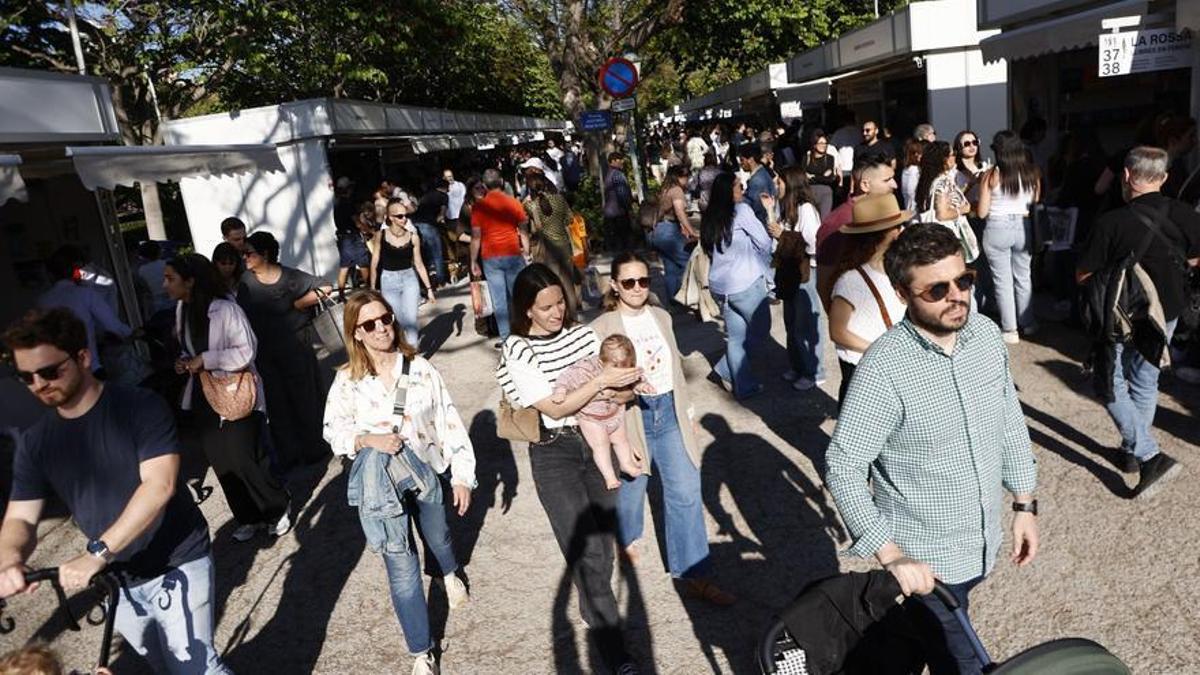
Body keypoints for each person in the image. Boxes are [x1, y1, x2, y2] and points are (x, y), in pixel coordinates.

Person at [826, 223, 1039, 675]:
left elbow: (1008, 418)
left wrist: (1024, 503)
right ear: (904, 293)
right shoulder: (883, 370)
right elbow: (843, 467)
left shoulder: (983, 335)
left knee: (904, 649)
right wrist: (891, 555)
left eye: (964, 280)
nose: (956, 296)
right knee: (963, 663)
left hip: (980, 544)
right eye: (937, 289)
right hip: (926, 565)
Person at [0, 308, 228, 674]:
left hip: (176, 559)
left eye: (49, 371)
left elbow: (160, 484)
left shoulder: (139, 407)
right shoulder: (37, 442)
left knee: (195, 668)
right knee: (161, 666)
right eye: (27, 377)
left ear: (83, 357)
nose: (39, 384)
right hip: (115, 578)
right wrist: (9, 559)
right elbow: (20, 517)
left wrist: (98, 552)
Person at [495, 264, 642, 674]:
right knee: (588, 549)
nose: (557, 312)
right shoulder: (518, 349)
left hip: (595, 443)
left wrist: (626, 392)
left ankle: (592, 605)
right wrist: (600, 384)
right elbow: (556, 406)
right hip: (554, 451)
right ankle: (616, 652)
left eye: (560, 302)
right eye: (545, 307)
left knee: (604, 545)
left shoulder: (584, 336)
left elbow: (620, 392)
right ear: (527, 310)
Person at [323, 291, 475, 675]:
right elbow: (333, 430)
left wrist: (461, 475)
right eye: (369, 324)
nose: (381, 329)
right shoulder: (347, 380)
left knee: (438, 537)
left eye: (385, 319)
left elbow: (448, 420)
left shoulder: (420, 367)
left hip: (428, 471)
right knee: (400, 564)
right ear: (355, 333)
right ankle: (421, 652)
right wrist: (366, 440)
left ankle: (448, 571)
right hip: (382, 485)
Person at [591, 252, 735, 605]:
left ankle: (694, 573)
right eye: (629, 282)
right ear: (614, 286)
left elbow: (675, 370)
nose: (638, 288)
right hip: (631, 415)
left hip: (668, 410)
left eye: (644, 281)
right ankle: (627, 537)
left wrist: (686, 413)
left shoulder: (661, 317)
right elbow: (593, 383)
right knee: (632, 485)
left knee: (685, 491)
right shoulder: (601, 327)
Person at [1077, 145, 1200, 495]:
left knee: (1110, 384)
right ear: (1163, 178)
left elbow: (1084, 275)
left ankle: (1148, 455)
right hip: (1166, 313)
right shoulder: (1186, 215)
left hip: (1120, 317)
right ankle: (1132, 450)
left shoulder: (1111, 222)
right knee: (1146, 382)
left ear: (1127, 176)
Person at [164, 254, 291, 542]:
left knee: (244, 455)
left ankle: (277, 507)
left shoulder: (225, 309)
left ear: (191, 280)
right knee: (221, 461)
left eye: (170, 278)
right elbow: (189, 348)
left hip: (236, 390)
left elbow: (246, 351)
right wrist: (186, 361)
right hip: (203, 392)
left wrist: (205, 359)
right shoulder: (182, 309)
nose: (165, 285)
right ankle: (248, 517)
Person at [237, 231, 329, 470]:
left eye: (249, 253)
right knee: (277, 406)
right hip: (265, 354)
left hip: (297, 348)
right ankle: (289, 455)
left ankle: (315, 448)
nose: (244, 257)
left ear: (265, 253)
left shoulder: (290, 276)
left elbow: (325, 286)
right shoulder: (245, 282)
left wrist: (299, 303)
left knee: (305, 400)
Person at [826, 194, 908, 404]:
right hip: (863, 371)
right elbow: (838, 332)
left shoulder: (896, 270)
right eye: (896, 227)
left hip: (891, 368)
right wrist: (879, 349)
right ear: (880, 235)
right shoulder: (850, 280)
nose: (901, 231)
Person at [702, 172, 772, 399]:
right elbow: (764, 241)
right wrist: (761, 262)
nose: (742, 188)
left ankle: (743, 386)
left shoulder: (711, 215)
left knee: (736, 337)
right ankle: (725, 369)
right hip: (745, 283)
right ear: (729, 190)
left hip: (721, 286)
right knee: (761, 332)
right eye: (738, 185)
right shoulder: (741, 211)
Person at [552, 334, 650, 489]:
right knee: (601, 445)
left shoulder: (625, 367)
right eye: (616, 369)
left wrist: (642, 386)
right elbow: (565, 378)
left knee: (622, 440)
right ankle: (609, 476)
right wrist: (560, 391)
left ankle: (626, 464)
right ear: (601, 362)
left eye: (626, 369)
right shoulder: (585, 369)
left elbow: (635, 381)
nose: (621, 374)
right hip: (592, 418)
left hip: (614, 413)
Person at [763, 167, 826, 390]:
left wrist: (783, 234)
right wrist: (770, 211)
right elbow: (776, 236)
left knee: (805, 323)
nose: (775, 185)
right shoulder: (786, 207)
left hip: (803, 272)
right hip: (788, 270)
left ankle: (814, 372)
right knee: (791, 322)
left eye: (778, 182)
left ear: (789, 183)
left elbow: (813, 243)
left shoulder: (806, 209)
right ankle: (798, 366)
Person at [977, 130, 1041, 344]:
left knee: (1002, 281)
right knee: (1024, 277)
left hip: (997, 228)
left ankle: (1010, 330)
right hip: (1023, 227)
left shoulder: (991, 175)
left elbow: (982, 212)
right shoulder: (1032, 172)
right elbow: (1036, 199)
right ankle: (1029, 323)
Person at [815, 158, 898, 308]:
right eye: (887, 180)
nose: (895, 185)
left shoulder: (885, 211)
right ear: (865, 185)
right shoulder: (838, 222)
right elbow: (824, 280)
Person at [37, 245, 133, 375]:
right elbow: (114, 326)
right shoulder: (85, 292)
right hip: (92, 364)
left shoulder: (43, 300)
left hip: (63, 369)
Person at [470, 168, 529, 343]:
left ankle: (506, 339)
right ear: (502, 182)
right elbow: (523, 230)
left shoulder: (478, 207)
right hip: (512, 253)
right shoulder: (514, 202)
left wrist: (474, 260)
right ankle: (524, 332)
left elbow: (476, 237)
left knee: (499, 300)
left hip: (490, 257)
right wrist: (526, 251)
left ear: (484, 186)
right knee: (517, 296)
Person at [370, 199, 436, 347]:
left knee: (411, 319)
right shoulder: (380, 235)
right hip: (388, 280)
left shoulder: (413, 236)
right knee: (398, 319)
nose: (404, 219)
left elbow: (419, 264)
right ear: (390, 217)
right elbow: (374, 263)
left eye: (406, 215)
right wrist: (373, 288)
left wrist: (429, 289)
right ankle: (405, 346)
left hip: (409, 279)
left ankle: (412, 354)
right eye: (399, 216)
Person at [915, 140, 980, 266]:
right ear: (943, 159)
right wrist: (964, 209)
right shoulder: (942, 182)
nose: (955, 157)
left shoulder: (929, 180)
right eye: (952, 154)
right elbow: (942, 214)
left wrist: (969, 186)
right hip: (947, 237)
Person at [525, 173, 581, 318]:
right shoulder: (560, 199)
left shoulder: (530, 205)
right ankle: (572, 314)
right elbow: (569, 219)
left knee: (551, 283)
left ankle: (557, 316)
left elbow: (531, 226)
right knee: (568, 282)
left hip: (546, 250)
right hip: (564, 245)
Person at [650, 165, 698, 302]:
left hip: (658, 231)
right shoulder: (676, 190)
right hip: (668, 232)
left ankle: (673, 299)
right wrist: (691, 231)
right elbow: (679, 211)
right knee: (688, 262)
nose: (687, 180)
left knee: (671, 267)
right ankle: (690, 296)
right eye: (686, 177)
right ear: (679, 177)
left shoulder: (665, 189)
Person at [334, 176, 371, 294]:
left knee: (345, 265)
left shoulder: (337, 202)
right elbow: (357, 222)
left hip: (342, 237)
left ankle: (341, 294)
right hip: (352, 238)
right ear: (348, 189)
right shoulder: (347, 204)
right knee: (363, 262)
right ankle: (370, 288)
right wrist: (370, 231)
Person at [412, 180, 450, 287]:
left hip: (415, 224)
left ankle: (428, 280)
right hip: (428, 225)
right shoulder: (443, 196)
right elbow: (442, 214)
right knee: (437, 253)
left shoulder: (426, 196)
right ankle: (441, 280)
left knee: (425, 254)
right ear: (445, 188)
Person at [603, 151, 636, 252]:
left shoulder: (609, 173)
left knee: (617, 240)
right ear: (612, 161)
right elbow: (622, 193)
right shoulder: (617, 174)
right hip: (619, 211)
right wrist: (629, 207)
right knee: (625, 240)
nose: (622, 162)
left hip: (611, 212)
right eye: (619, 160)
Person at [803, 128, 840, 218]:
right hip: (809, 193)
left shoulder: (830, 158)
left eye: (825, 143)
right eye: (821, 143)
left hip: (825, 192)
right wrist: (821, 176)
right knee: (812, 219)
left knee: (824, 219)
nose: (823, 145)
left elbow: (829, 179)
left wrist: (812, 176)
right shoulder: (807, 157)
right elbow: (803, 177)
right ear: (815, 145)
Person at [739, 143, 777, 227]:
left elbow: (757, 210)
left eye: (742, 160)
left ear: (751, 159)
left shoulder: (757, 181)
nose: (740, 163)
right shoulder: (762, 172)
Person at [900, 138, 927, 212]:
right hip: (915, 210)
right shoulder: (914, 170)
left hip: (909, 207)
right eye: (920, 152)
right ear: (916, 154)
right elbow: (911, 193)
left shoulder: (906, 169)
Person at [443, 169, 467, 237]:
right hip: (451, 218)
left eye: (451, 176)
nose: (450, 178)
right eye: (448, 177)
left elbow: (465, 197)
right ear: (444, 178)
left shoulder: (460, 185)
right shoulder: (444, 189)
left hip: (462, 215)